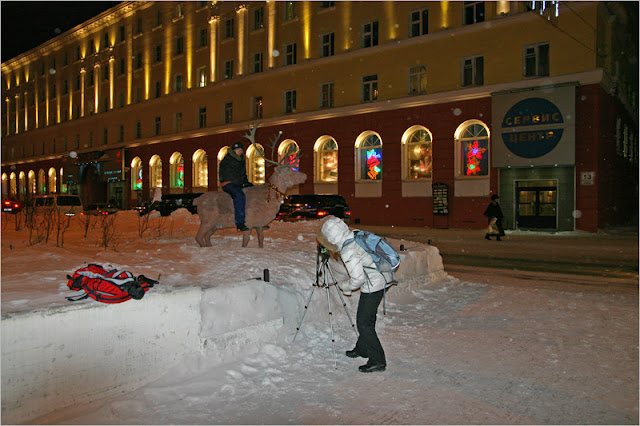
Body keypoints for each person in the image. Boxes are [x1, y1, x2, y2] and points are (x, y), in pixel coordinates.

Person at [317, 216, 393, 373]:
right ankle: (362, 349)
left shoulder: (348, 250)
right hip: (382, 277)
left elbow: (358, 279)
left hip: (374, 284)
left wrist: (345, 286)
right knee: (367, 319)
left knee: (364, 323)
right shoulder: (356, 235)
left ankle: (378, 360)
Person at [219, 141, 253, 231]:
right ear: (233, 150)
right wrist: (240, 182)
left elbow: (242, 174)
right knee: (239, 196)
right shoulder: (228, 160)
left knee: (252, 193)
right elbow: (228, 174)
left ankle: (254, 220)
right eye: (237, 149)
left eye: (241, 149)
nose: (239, 151)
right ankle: (240, 223)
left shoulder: (240, 159)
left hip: (237, 183)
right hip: (228, 183)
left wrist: (246, 182)